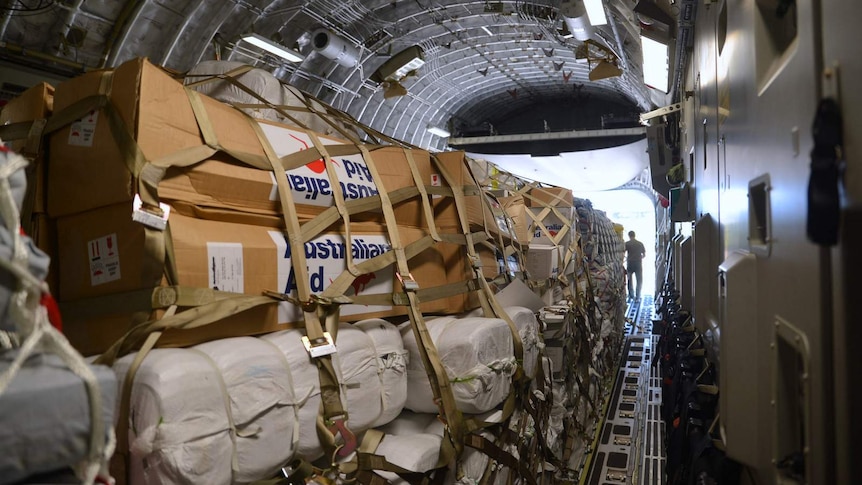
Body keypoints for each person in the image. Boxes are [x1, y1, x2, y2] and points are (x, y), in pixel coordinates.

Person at [625, 231, 646, 300]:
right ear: (635, 235)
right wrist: (640, 258)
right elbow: (644, 255)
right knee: (639, 280)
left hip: (630, 263)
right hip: (638, 263)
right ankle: (638, 296)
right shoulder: (640, 244)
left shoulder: (627, 244)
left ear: (629, 236)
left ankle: (631, 295)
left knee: (629, 279)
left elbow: (622, 252)